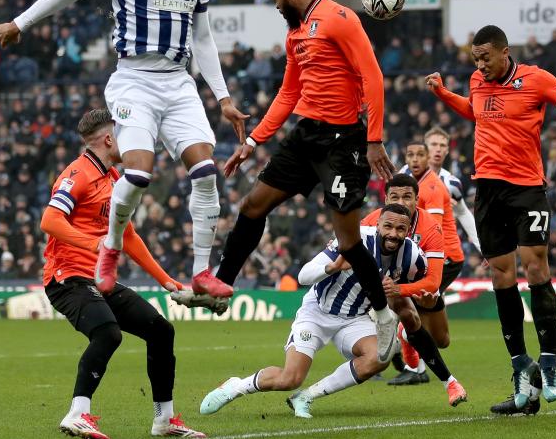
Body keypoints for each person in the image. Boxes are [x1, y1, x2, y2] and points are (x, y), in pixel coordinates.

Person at [0, 0, 247, 298]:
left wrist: (224, 98)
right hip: (135, 79)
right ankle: (110, 248)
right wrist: (20, 22)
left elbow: (203, 37)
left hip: (178, 82)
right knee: (139, 173)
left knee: (205, 173)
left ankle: (201, 272)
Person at [216, 0, 398, 361]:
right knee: (252, 205)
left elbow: (373, 77)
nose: (274, 3)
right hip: (305, 136)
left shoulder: (339, 18)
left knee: (349, 241)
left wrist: (374, 138)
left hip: (343, 142)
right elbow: (288, 92)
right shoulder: (295, 32)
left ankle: (383, 313)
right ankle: (223, 284)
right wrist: (251, 142)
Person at [426, 24, 556, 415]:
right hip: (488, 191)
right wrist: (445, 94)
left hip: (527, 188)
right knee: (500, 276)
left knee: (536, 267)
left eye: (486, 57)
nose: (480, 65)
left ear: (504, 52)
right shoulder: (478, 81)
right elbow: (474, 111)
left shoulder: (536, 78)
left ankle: (548, 359)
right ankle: (519, 367)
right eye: (476, 58)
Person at [199, 205, 466, 418]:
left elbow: (421, 291)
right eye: (388, 226)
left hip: (355, 319)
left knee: (378, 358)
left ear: (408, 231)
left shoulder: (412, 256)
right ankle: (236, 386)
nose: (393, 234)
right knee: (290, 377)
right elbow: (303, 275)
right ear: (378, 225)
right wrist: (333, 267)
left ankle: (306, 397)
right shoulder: (353, 240)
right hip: (317, 313)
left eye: (400, 229)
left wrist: (421, 299)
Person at [40, 109, 206, 439]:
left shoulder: (116, 178)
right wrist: (94, 244)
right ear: (108, 139)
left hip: (98, 279)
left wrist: (165, 280)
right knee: (108, 334)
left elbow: (127, 236)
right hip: (67, 277)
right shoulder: (77, 174)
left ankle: (164, 418)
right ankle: (77, 413)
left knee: (161, 331)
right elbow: (50, 220)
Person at [361, 173, 448, 386]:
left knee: (441, 341)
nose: (401, 202)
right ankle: (400, 355)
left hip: (418, 289)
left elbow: (433, 282)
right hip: (386, 288)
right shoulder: (370, 221)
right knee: (397, 314)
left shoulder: (431, 227)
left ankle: (401, 341)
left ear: (416, 200)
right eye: (395, 197)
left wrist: (399, 290)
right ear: (386, 199)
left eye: (407, 197)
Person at [423, 125, 481, 260]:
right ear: (424, 149)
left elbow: (463, 213)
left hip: (435, 251)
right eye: (434, 144)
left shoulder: (452, 183)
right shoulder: (407, 174)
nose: (438, 149)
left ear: (447, 150)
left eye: (442, 145)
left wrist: (483, 249)